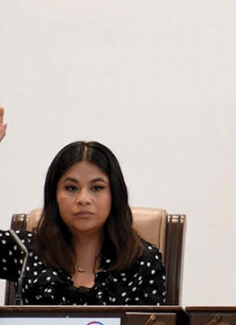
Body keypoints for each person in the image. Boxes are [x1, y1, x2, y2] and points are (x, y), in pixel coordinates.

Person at [0, 107, 167, 305]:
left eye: (97, 188)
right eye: (71, 188)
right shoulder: (25, 250)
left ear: (115, 194)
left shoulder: (144, 261)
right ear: (54, 195)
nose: (83, 199)